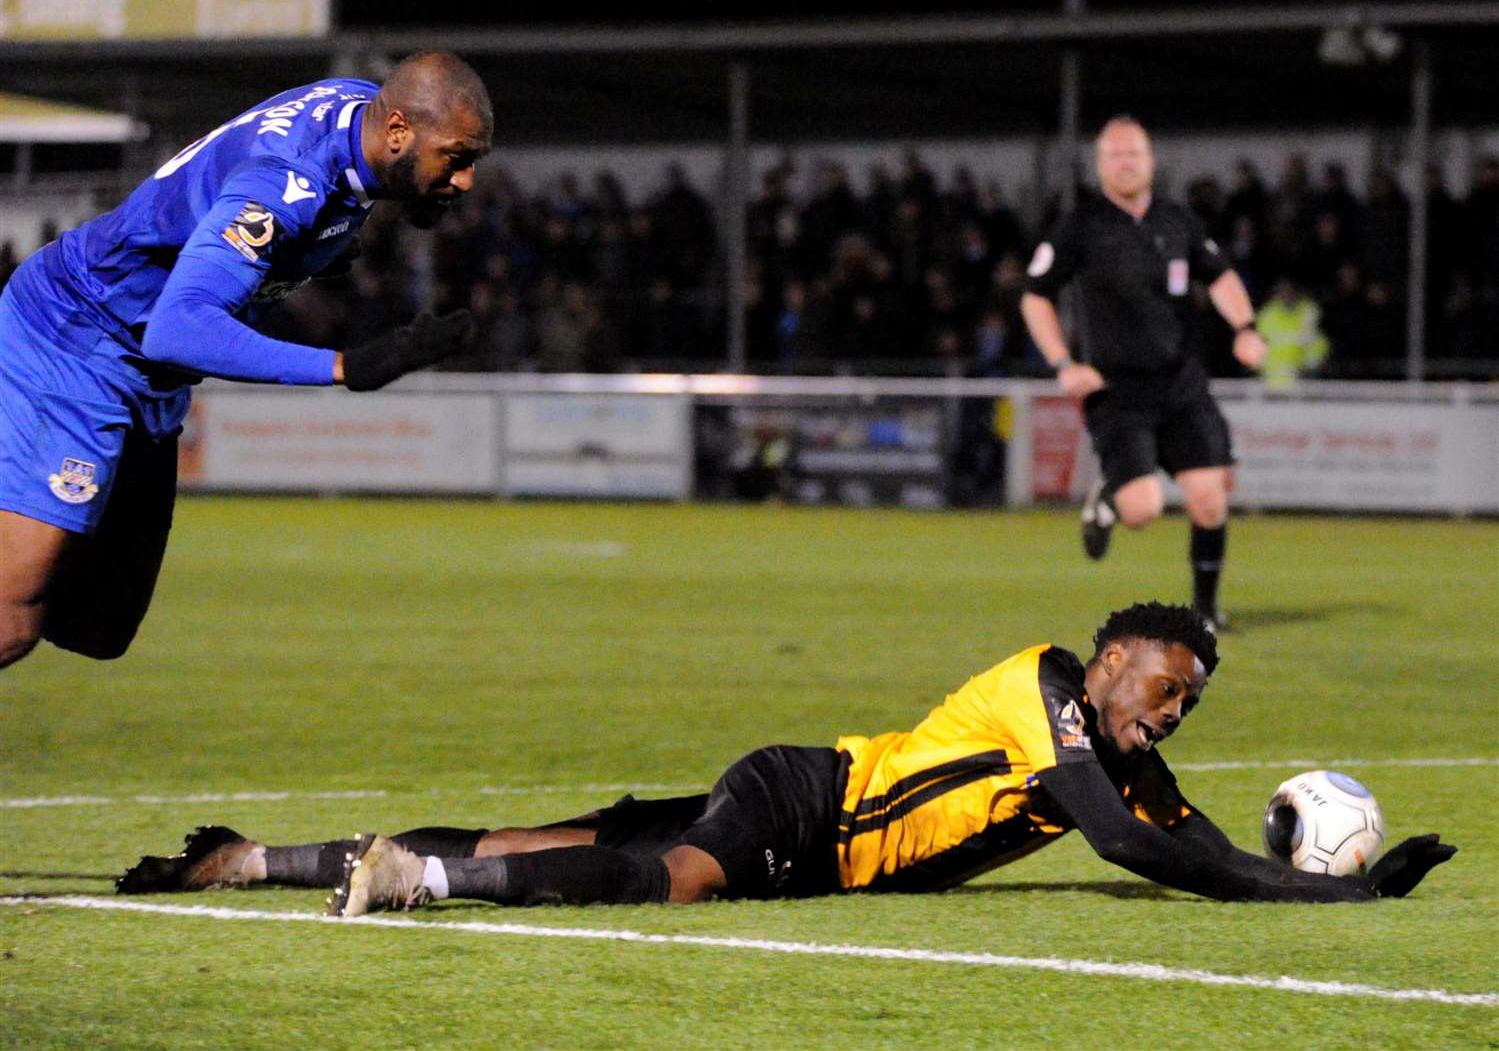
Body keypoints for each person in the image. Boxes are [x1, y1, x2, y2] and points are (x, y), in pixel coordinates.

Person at [116, 602, 1455, 914]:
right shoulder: (1042, 688)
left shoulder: (1123, 757)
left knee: (564, 844)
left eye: (1180, 710)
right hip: (808, 796)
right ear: (1107, 664)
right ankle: (417, 883)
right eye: (1159, 690)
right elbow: (1122, 843)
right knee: (680, 879)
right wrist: (1326, 890)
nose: (1164, 718)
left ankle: (251, 860)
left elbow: (1204, 852)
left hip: (819, 851)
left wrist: (1351, 892)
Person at [0, 52, 493, 671]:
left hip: (145, 378)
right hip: (76, 339)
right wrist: (346, 366)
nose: (467, 180)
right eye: (457, 157)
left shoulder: (356, 104)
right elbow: (178, 328)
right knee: (12, 622)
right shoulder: (286, 184)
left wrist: (338, 235)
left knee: (100, 626)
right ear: (397, 132)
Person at [1020, 117, 1269, 633]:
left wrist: (1245, 327)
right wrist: (1063, 364)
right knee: (1143, 510)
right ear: (1100, 164)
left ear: (1152, 160)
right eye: (1115, 154)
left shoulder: (1180, 222)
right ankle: (1111, 494)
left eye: (1135, 152)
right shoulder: (1080, 227)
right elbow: (1035, 296)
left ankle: (1205, 612)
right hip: (1115, 388)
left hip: (1180, 382)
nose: (1126, 162)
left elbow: (1219, 277)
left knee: (1209, 496)